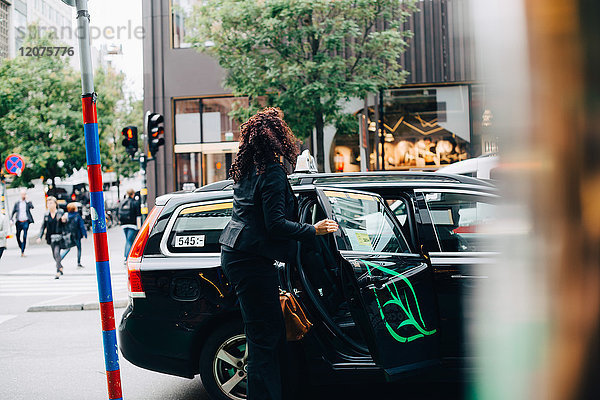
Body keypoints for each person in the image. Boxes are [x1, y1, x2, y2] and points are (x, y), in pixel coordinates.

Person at [219, 107, 338, 400]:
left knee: (262, 336)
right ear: (277, 137)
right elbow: (275, 224)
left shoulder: (248, 169)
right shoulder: (271, 171)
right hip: (250, 259)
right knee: (265, 339)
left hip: (238, 254)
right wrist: (314, 230)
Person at [37, 197, 66, 279]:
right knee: (54, 255)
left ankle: (58, 271)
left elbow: (65, 222)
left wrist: (64, 220)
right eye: (48, 203)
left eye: (51, 203)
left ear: (55, 204)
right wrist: (40, 236)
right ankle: (60, 266)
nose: (49, 205)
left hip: (60, 236)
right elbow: (43, 227)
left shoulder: (60, 212)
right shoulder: (46, 214)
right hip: (51, 237)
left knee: (57, 253)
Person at [60, 202, 87, 268]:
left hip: (69, 234)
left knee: (68, 248)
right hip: (77, 234)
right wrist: (84, 234)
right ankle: (78, 263)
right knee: (79, 248)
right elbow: (81, 226)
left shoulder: (66, 215)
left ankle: (59, 259)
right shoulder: (77, 216)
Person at [11, 189, 34, 257]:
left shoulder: (27, 203)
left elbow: (32, 207)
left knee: (24, 236)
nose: (23, 195)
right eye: (22, 194)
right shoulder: (17, 203)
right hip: (19, 221)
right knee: (17, 236)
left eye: (24, 194)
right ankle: (21, 246)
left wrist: (28, 200)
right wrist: (11, 219)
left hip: (25, 221)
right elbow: (13, 211)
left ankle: (22, 251)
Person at [119, 188, 140, 261]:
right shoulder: (134, 202)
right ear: (133, 194)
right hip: (132, 225)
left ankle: (126, 257)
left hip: (124, 224)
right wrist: (139, 226)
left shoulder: (123, 202)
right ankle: (127, 258)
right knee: (129, 241)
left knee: (128, 240)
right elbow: (138, 215)